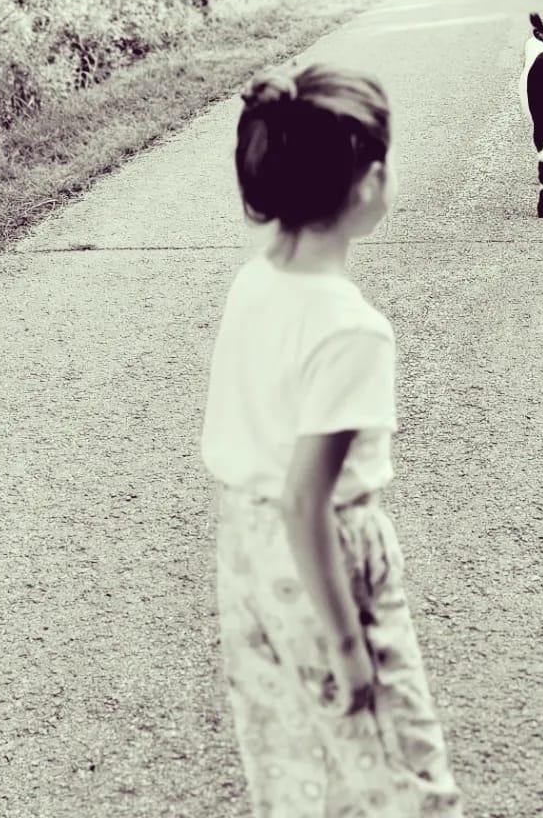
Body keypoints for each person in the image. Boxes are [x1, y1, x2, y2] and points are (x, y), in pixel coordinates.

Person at [202, 66, 461, 817]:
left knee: (292, 753)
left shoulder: (255, 282)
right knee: (397, 764)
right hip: (320, 555)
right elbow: (306, 500)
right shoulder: (352, 330)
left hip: (247, 553)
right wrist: (348, 647)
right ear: (369, 180)